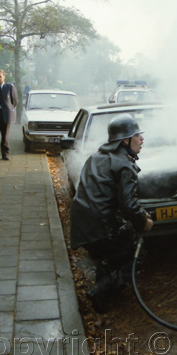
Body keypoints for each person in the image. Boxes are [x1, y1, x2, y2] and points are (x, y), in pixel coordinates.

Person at [70, 114, 154, 313]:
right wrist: (144, 220)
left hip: (82, 225)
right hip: (101, 227)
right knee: (138, 255)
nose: (142, 139)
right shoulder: (125, 165)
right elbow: (129, 205)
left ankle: (102, 301)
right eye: (137, 135)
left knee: (108, 254)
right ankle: (100, 290)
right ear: (125, 140)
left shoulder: (95, 157)